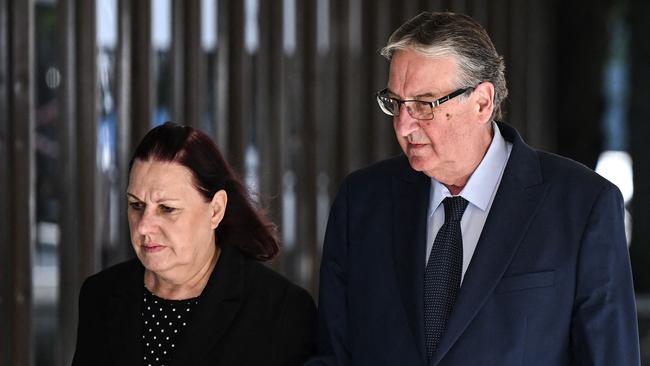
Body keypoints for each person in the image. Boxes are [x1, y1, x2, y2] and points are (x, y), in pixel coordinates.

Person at [309, 11, 640, 366]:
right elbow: (334, 353)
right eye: (395, 103)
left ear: (482, 102)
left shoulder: (583, 205)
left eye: (424, 104)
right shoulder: (361, 202)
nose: (404, 125)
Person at [72, 122, 316, 366]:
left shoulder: (280, 310)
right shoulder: (100, 296)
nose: (144, 226)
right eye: (136, 205)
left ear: (216, 210)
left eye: (167, 209)